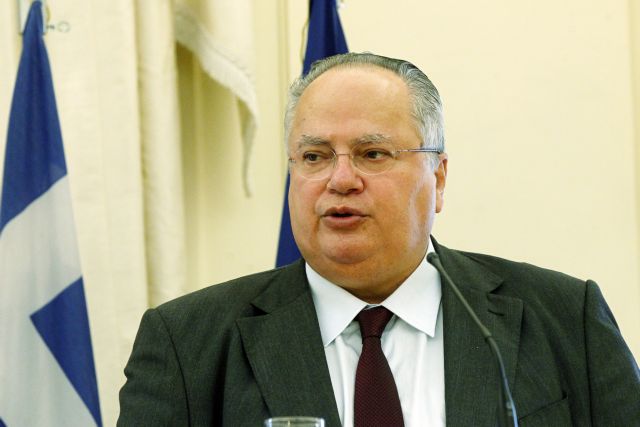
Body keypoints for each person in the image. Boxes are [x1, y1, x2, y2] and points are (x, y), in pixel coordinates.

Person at [118, 53, 640, 426]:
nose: (340, 179)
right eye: (315, 156)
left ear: (438, 179)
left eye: (372, 154)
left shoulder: (565, 318)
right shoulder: (187, 343)